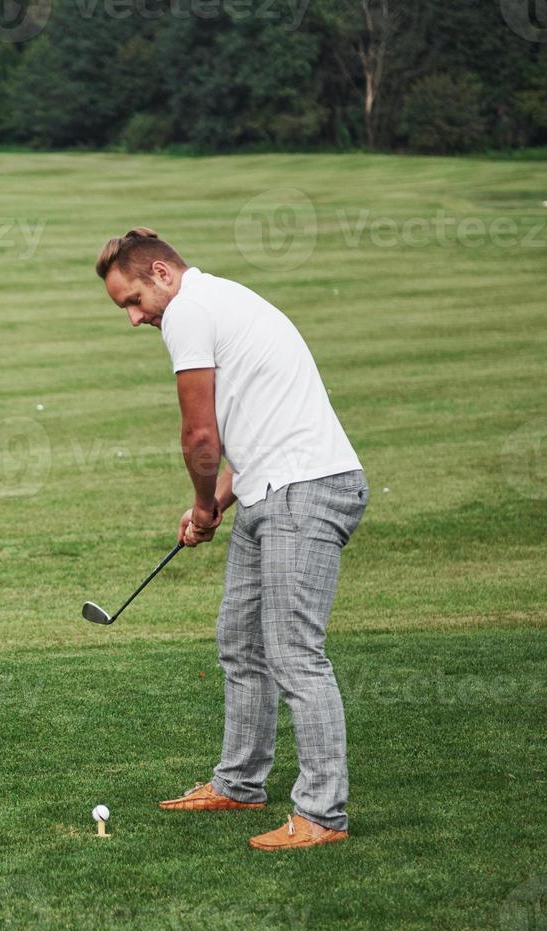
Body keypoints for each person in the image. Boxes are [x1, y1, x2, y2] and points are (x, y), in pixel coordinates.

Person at [95, 227, 368, 851]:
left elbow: (200, 438)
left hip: (306, 490)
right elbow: (250, 437)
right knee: (241, 640)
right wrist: (213, 507)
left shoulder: (190, 309)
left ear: (162, 273)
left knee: (295, 653)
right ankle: (241, 781)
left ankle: (323, 814)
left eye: (133, 301)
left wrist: (200, 501)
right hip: (271, 487)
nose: (134, 319)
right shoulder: (219, 300)